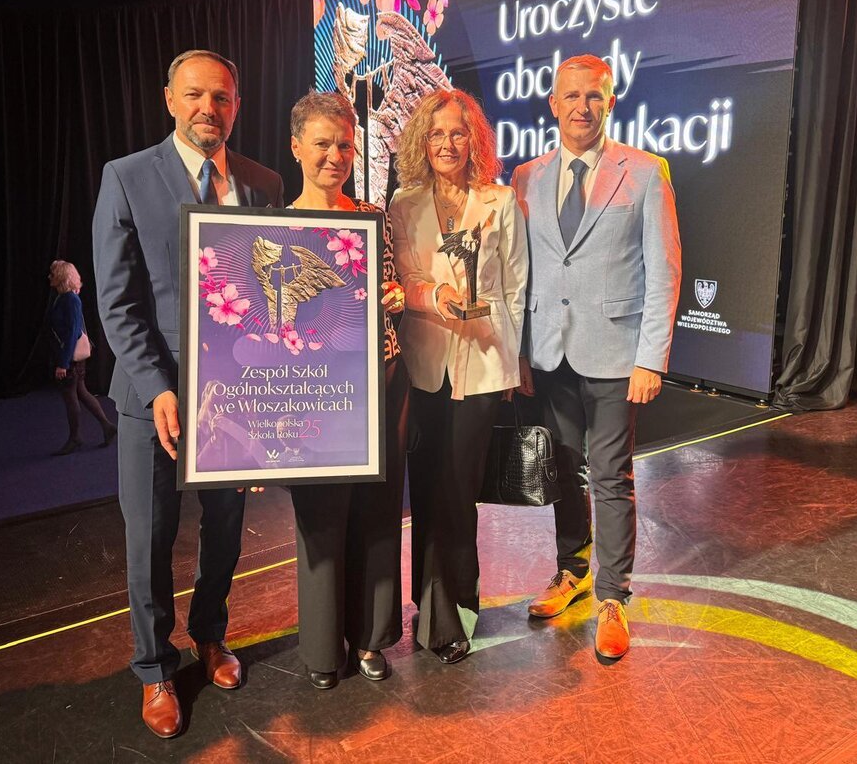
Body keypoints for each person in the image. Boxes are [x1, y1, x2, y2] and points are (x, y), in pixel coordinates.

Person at [92, 49, 284, 738]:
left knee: (227, 529)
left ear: (237, 105)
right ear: (170, 99)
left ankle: (210, 635)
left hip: (235, 398)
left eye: (222, 97)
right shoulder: (126, 178)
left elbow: (273, 295)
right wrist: (157, 387)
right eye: (195, 95)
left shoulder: (263, 182)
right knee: (150, 537)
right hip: (154, 400)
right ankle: (153, 667)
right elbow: (118, 304)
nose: (209, 108)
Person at [512, 54, 681, 660]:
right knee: (562, 470)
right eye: (571, 96)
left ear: (611, 102)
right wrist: (519, 353)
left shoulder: (645, 172)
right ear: (553, 105)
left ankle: (613, 596)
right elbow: (518, 271)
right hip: (547, 352)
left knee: (610, 474)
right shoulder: (525, 177)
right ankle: (572, 570)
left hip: (615, 354)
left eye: (593, 96)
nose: (581, 107)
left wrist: (651, 358)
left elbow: (664, 270)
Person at [390, 89, 527, 664]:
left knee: (459, 493)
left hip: (484, 366)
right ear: (422, 141)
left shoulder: (501, 200)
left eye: (458, 132)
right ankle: (433, 608)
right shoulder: (404, 203)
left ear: (475, 139)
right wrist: (435, 296)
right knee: (427, 493)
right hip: (422, 368)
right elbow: (402, 279)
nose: (447, 143)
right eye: (437, 133)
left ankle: (459, 604)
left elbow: (516, 286)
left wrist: (515, 364)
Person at [285, 91, 410, 689]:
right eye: (322, 144)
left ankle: (370, 638)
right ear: (296, 148)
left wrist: (397, 297)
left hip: (380, 383)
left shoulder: (374, 218)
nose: (334, 156)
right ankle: (321, 648)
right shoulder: (274, 227)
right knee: (319, 518)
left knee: (378, 513)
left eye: (344, 145)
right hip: (311, 391)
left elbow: (393, 290)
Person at [46, 259, 116, 455]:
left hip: (71, 357)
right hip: (70, 355)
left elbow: (72, 333)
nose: (50, 277)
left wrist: (63, 363)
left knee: (71, 396)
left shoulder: (70, 299)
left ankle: (75, 437)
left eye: (53, 273)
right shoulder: (65, 297)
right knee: (81, 392)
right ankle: (107, 426)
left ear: (61, 277)